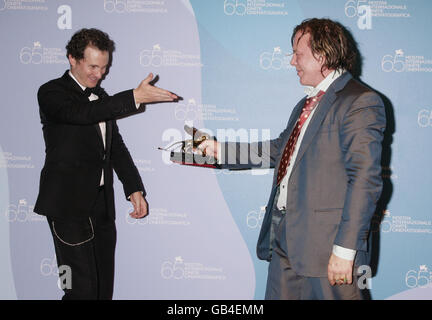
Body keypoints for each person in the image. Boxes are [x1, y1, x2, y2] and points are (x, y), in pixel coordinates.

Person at [197, 18, 386, 300]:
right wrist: (218, 150)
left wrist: (345, 250)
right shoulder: (306, 103)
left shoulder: (360, 101)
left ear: (322, 54)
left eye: (298, 54)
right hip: (286, 241)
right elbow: (278, 150)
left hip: (329, 251)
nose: (291, 62)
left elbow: (364, 180)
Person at [34, 28, 177, 299]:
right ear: (72, 59)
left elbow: (116, 149)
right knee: (79, 291)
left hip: (101, 207)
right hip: (67, 208)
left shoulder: (100, 97)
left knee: (101, 292)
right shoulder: (51, 93)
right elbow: (80, 114)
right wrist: (133, 97)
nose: (99, 74)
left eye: (104, 67)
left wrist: (134, 187)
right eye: (93, 66)